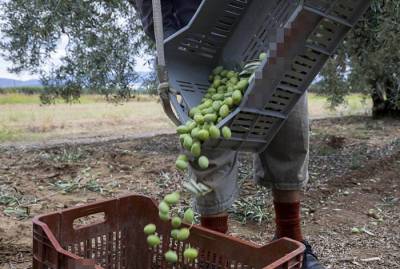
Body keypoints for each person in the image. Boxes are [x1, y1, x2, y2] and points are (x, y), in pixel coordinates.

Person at [129, 1, 325, 268]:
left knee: (289, 128)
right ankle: (214, 252)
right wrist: (166, 33)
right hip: (195, 36)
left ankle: (291, 238)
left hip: (261, 25)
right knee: (208, 148)